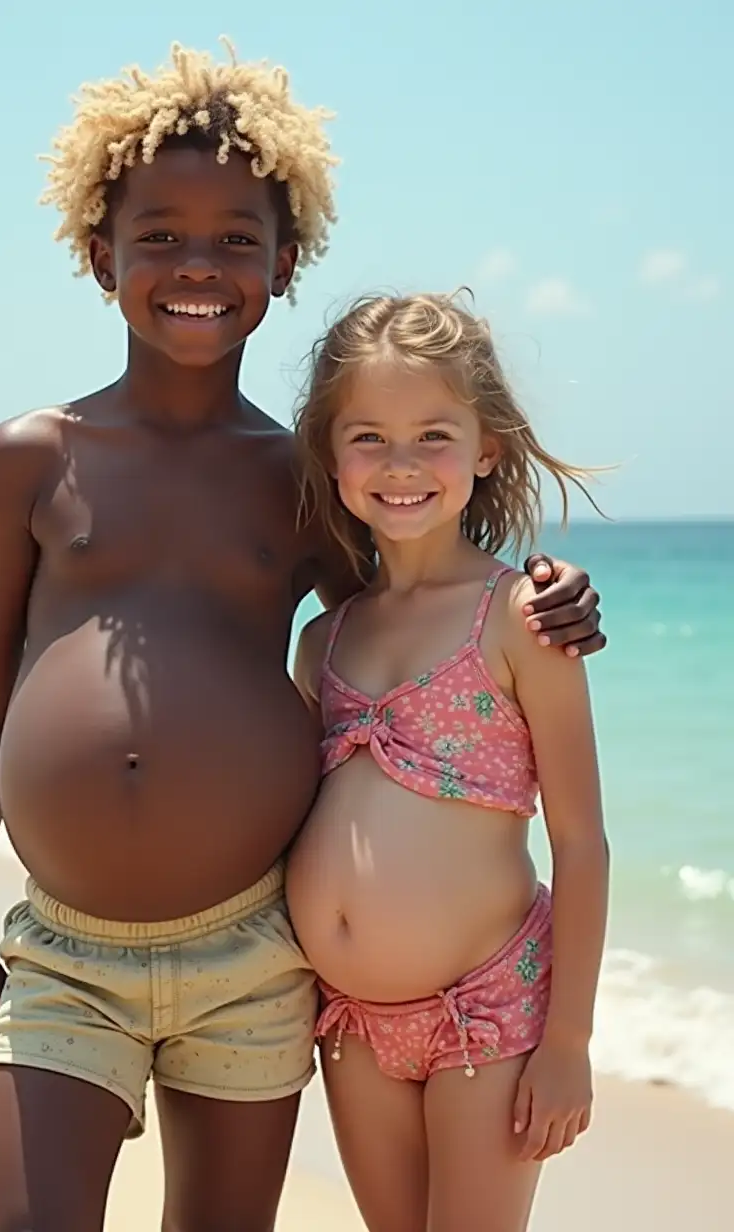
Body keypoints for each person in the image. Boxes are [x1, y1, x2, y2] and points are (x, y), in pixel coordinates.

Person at [0, 42, 606, 1232]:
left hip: (251, 947)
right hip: (65, 950)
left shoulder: (299, 483)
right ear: (102, 256)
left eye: (238, 238)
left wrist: (550, 588)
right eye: (160, 235)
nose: (199, 265)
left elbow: (421, 581)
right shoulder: (31, 457)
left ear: (284, 263)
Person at [287, 290, 610, 1232]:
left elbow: (582, 843)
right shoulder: (323, 640)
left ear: (487, 448)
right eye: (370, 438)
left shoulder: (518, 620)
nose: (401, 466)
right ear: (331, 453)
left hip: (490, 1012)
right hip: (349, 1022)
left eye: (434, 435)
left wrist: (570, 1044)